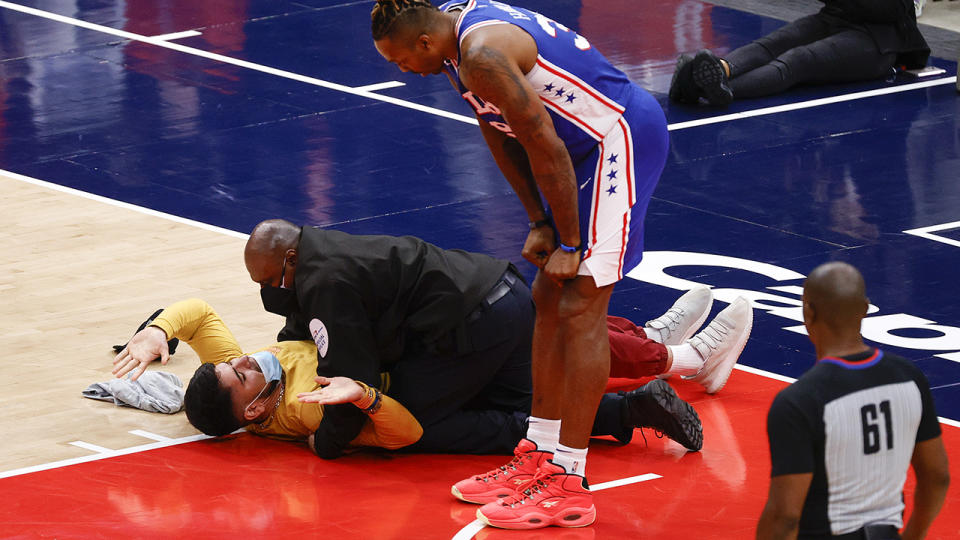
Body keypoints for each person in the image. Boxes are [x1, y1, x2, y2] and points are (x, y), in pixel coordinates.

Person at [370, 0, 754, 529]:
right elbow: (499, 133)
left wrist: (569, 240)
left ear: (423, 42)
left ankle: (568, 480)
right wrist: (538, 220)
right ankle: (539, 452)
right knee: (546, 301)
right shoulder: (454, 46)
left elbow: (543, 142)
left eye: (397, 61)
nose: (400, 71)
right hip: (575, 154)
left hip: (615, 143)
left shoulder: (481, 54)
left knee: (578, 308)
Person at [756, 262, 949, 539]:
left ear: (807, 312)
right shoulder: (909, 378)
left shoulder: (800, 401)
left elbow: (785, 516)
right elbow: (937, 476)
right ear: (866, 309)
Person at [670, 0, 931, 106]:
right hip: (837, 19)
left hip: (880, 41)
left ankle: (711, 88)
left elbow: (892, 10)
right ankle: (720, 70)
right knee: (774, 42)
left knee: (798, 60)